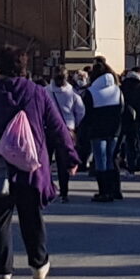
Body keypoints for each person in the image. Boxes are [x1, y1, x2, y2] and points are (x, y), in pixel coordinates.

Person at [0, 51, 79, 279]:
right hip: (30, 166)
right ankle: (38, 263)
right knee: (31, 216)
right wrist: (70, 157)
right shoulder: (37, 92)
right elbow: (57, 127)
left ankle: (1, 271)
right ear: (24, 68)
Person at [80, 67, 127, 201]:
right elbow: (122, 109)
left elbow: (86, 114)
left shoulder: (91, 92)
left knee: (101, 161)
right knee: (111, 159)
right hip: (114, 130)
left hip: (97, 131)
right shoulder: (117, 90)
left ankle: (103, 191)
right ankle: (114, 189)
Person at [46, 72, 86, 202]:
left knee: (46, 160)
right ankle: (64, 192)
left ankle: (47, 188)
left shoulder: (46, 91)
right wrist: (74, 124)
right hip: (67, 129)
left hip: (48, 128)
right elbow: (80, 111)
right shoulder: (73, 93)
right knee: (63, 162)